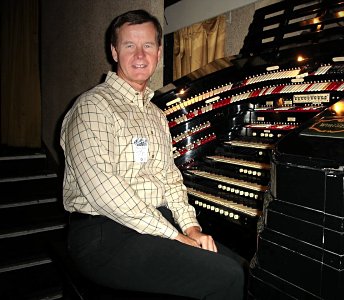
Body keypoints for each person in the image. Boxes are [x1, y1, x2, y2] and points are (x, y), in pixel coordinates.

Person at [60, 9, 246, 300]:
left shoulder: (157, 116)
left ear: (159, 52)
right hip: (103, 233)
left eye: (147, 45)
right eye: (129, 45)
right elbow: (104, 190)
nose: (139, 55)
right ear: (114, 52)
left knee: (241, 268)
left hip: (154, 225)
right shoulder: (92, 106)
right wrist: (175, 236)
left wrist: (192, 228)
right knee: (226, 277)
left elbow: (170, 179)